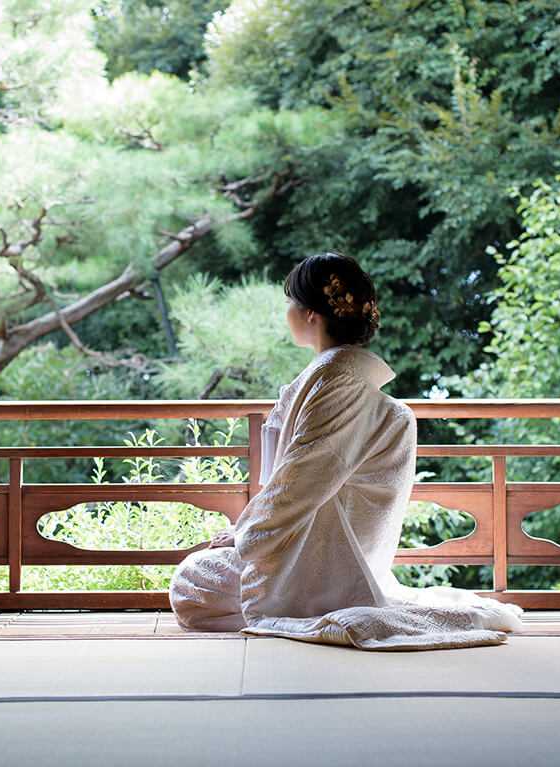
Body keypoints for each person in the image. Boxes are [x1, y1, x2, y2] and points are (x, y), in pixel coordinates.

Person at [169, 252, 522, 650]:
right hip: (316, 547)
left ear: (310, 313)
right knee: (199, 580)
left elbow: (297, 485)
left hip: (316, 562)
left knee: (192, 583)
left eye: (290, 302)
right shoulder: (335, 378)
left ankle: (330, 609)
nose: (287, 311)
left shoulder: (336, 384)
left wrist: (244, 535)